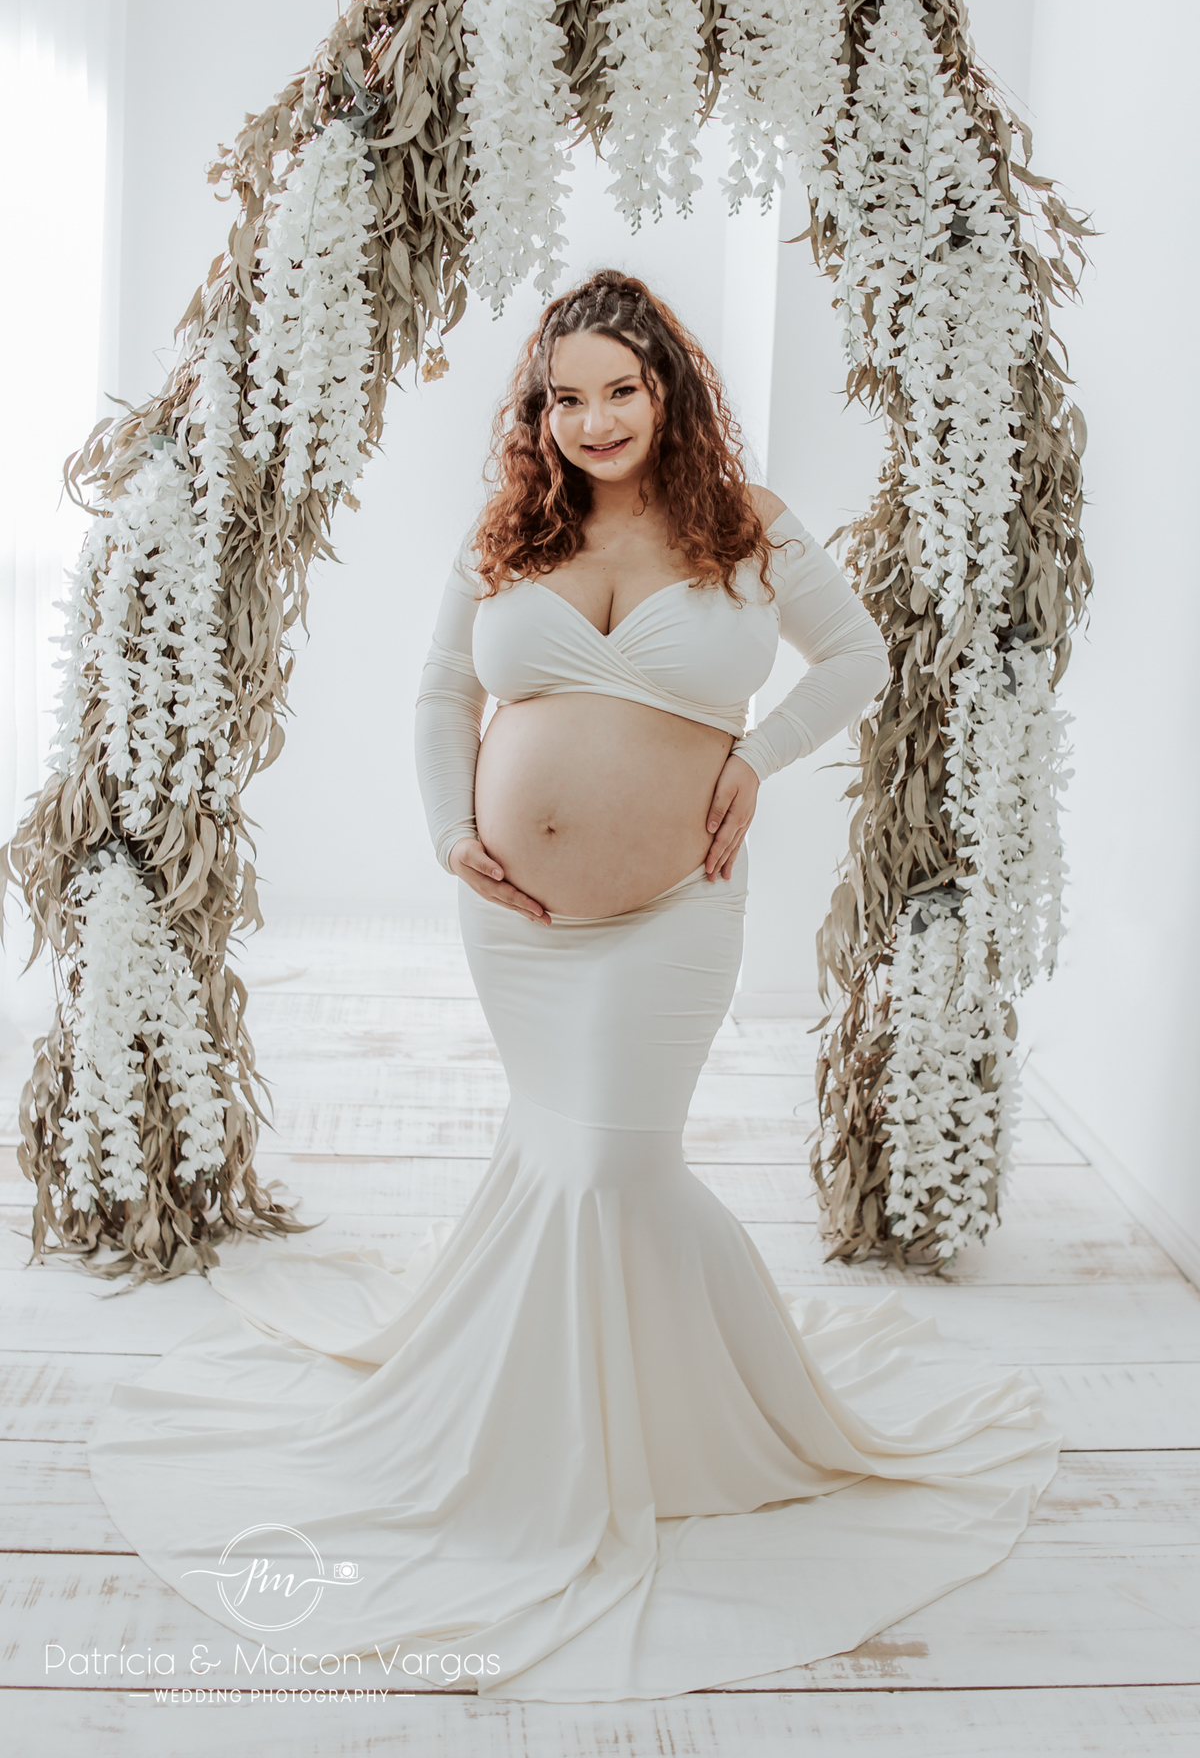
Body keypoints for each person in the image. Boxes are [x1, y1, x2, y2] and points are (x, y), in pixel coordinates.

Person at [87, 271, 1060, 1704]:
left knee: (614, 1166)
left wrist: (755, 758)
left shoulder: (745, 525)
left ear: (670, 390)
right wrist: (451, 832)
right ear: (537, 410)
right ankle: (552, 1421)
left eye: (621, 389)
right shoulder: (511, 530)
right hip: (518, 927)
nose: (594, 420)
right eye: (566, 397)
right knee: (557, 1156)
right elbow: (443, 693)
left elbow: (856, 655)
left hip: (676, 908)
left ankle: (696, 1425)